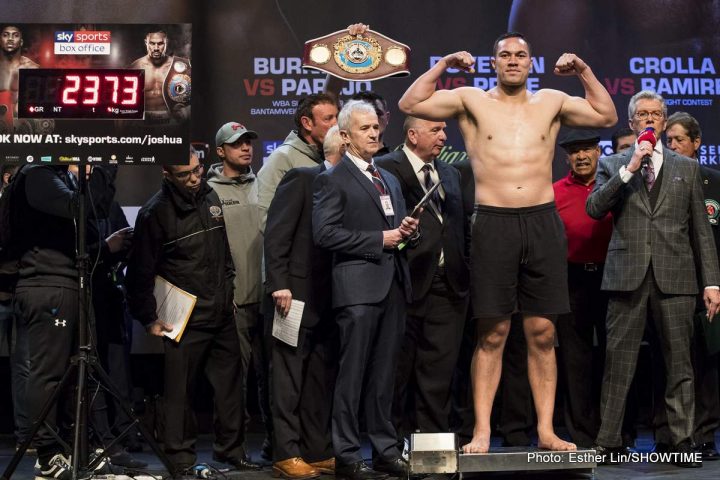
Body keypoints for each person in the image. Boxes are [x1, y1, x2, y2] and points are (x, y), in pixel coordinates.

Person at [398, 32, 617, 453]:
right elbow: (410, 104)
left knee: (541, 330)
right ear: (493, 63)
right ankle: (481, 432)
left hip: (541, 220)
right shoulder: (471, 101)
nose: (513, 61)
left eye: (520, 55)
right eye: (505, 56)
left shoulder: (551, 101)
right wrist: (444, 64)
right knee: (493, 332)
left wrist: (583, 70)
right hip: (494, 221)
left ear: (530, 63)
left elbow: (606, 116)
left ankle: (547, 430)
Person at [587, 91, 720, 467]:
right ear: (631, 123)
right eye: (641, 114)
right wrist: (630, 167)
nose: (649, 119)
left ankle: (681, 442)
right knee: (618, 365)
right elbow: (594, 208)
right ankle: (609, 441)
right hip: (626, 275)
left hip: (676, 276)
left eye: (655, 114)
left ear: (663, 121)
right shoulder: (613, 163)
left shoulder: (686, 167)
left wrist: (712, 283)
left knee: (680, 365)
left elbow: (700, 229)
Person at [126, 149, 256, 473]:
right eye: (186, 175)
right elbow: (140, 272)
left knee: (230, 389)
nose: (196, 178)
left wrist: (230, 291)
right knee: (179, 393)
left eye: (198, 169)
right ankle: (181, 458)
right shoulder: (154, 213)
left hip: (222, 310)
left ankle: (231, 450)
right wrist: (147, 318)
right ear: (167, 175)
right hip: (184, 316)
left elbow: (223, 252)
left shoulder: (210, 196)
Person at [313, 100, 418, 480]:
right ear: (344, 136)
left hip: (392, 286)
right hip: (357, 290)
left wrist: (406, 233)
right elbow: (324, 234)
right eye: (364, 129)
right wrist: (380, 238)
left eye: (376, 127)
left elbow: (396, 231)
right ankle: (346, 454)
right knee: (352, 376)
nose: (374, 133)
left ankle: (386, 451)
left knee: (384, 377)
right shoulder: (332, 179)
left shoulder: (387, 177)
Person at [10, 162, 118, 480]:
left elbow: (89, 216)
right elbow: (81, 207)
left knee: (76, 371)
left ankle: (76, 449)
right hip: (47, 287)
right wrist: (105, 167)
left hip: (69, 284)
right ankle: (46, 455)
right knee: (50, 373)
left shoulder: (56, 177)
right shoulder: (36, 175)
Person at [375, 117, 470, 442]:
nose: (444, 136)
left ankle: (433, 448)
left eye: (444, 130)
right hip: (403, 284)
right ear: (412, 134)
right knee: (396, 371)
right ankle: (392, 448)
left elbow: (457, 227)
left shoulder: (450, 172)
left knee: (439, 371)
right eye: (436, 130)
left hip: (448, 286)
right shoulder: (385, 168)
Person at [264, 125, 344, 480]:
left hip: (331, 298)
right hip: (293, 296)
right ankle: (287, 451)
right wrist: (279, 283)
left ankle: (317, 449)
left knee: (319, 378)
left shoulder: (351, 186)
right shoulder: (302, 178)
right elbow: (277, 233)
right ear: (340, 146)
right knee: (288, 377)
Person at [659, 111, 720, 461]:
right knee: (677, 361)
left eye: (679, 139)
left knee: (708, 362)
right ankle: (672, 435)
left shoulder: (713, 181)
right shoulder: (661, 180)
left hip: (710, 287)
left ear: (697, 143)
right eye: (668, 141)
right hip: (674, 282)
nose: (672, 146)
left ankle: (706, 434)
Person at [206, 121, 264, 469]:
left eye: (248, 143)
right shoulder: (209, 190)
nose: (245, 148)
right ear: (220, 151)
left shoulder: (265, 184)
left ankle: (279, 445)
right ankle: (232, 448)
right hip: (234, 302)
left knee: (274, 381)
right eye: (237, 144)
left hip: (271, 298)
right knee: (234, 384)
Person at [552, 129, 612, 448]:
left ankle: (615, 432)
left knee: (613, 357)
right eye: (575, 151)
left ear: (599, 152)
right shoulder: (554, 191)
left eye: (587, 149)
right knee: (575, 360)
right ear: (567, 158)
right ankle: (581, 435)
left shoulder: (615, 186)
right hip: (570, 279)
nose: (582, 156)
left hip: (612, 280)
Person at [257, 93, 338, 230]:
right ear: (307, 123)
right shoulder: (282, 158)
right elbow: (267, 220)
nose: (336, 124)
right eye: (328, 119)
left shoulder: (336, 156)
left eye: (337, 117)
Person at [129, 29, 190, 124]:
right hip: (143, 121)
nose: (156, 48)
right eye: (152, 43)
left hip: (172, 121)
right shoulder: (135, 67)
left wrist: (186, 111)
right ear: (146, 42)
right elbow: (123, 104)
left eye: (160, 43)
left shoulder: (180, 66)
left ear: (166, 43)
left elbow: (195, 96)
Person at [0, 25, 38, 130]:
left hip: (23, 129)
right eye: (5, 35)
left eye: (15, 35)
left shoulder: (32, 69)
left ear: (21, 42)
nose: (10, 39)